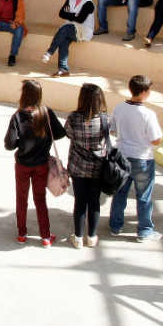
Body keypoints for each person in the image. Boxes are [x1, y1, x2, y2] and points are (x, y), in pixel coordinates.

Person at [3, 79, 65, 247]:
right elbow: (60, 133)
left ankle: (21, 233)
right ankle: (45, 236)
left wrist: (20, 143)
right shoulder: (46, 112)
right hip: (42, 163)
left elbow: (9, 144)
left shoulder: (17, 116)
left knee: (21, 198)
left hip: (23, 164)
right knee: (40, 199)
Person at [108, 75, 163, 243]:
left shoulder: (119, 108)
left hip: (122, 156)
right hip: (143, 159)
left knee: (120, 193)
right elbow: (156, 140)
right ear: (145, 92)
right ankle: (145, 231)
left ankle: (115, 226)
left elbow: (112, 129)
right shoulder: (149, 114)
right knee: (144, 196)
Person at [65, 83, 109, 248]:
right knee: (94, 201)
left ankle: (77, 238)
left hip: (78, 167)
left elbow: (69, 133)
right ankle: (91, 237)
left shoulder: (73, 118)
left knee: (80, 202)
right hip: (98, 168)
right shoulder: (105, 119)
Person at [41, 0, 94, 77]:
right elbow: (61, 13)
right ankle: (63, 69)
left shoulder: (88, 3)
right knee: (63, 40)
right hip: (71, 28)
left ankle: (49, 52)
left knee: (64, 29)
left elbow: (81, 19)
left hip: (84, 30)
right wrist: (75, 15)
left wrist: (69, 15)